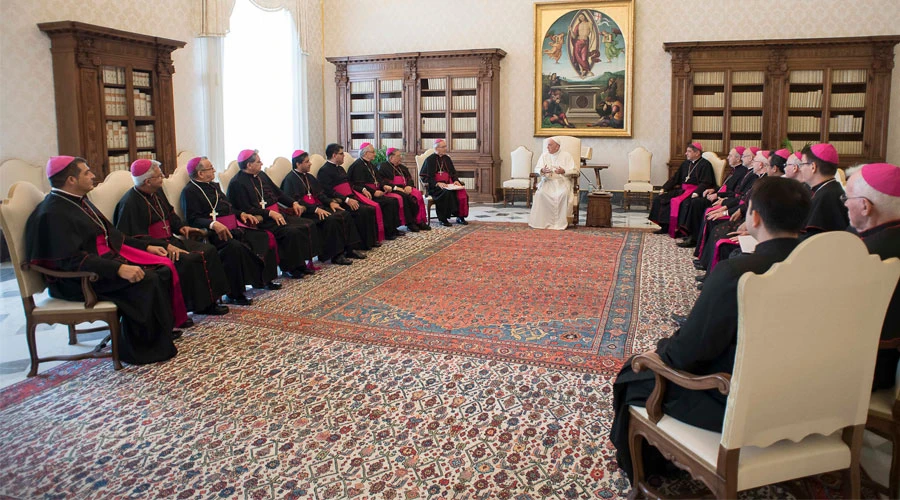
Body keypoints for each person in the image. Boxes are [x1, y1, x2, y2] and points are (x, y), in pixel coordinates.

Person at [611, 176, 811, 483]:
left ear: (754, 217)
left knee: (634, 374)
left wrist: (659, 350)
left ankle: (651, 471)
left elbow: (689, 353)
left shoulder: (738, 271)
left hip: (735, 401)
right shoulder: (817, 266)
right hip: (800, 394)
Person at [24, 156, 180, 365]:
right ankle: (140, 350)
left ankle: (158, 336)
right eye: (86, 172)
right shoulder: (53, 213)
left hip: (97, 268)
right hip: (75, 281)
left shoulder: (79, 201)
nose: (93, 175)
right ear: (71, 179)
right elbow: (70, 260)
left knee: (160, 271)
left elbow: (112, 234)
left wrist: (145, 246)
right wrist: (118, 269)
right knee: (147, 280)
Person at [114, 159, 229, 318]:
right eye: (159, 176)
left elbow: (169, 214)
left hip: (170, 239)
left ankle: (210, 302)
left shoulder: (157, 191)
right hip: (155, 247)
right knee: (188, 260)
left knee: (208, 250)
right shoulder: (130, 202)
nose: (163, 179)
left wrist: (181, 227)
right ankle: (190, 308)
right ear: (147, 181)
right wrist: (163, 245)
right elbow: (131, 237)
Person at [181, 156, 280, 306]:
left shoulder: (214, 186)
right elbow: (192, 219)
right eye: (210, 168)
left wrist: (241, 214)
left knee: (262, 236)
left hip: (234, 227)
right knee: (234, 249)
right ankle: (234, 294)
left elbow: (228, 206)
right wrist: (213, 224)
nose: (214, 170)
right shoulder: (189, 191)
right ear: (200, 173)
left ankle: (262, 280)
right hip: (215, 234)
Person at [844, 163, 900, 391]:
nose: (845, 204)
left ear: (865, 206)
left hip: (866, 366)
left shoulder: (866, 255)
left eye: (846, 198)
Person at [226, 149, 320, 279]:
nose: (262, 163)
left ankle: (301, 264)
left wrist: (293, 203)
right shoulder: (237, 183)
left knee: (306, 224)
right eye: (258, 162)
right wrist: (269, 213)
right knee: (291, 232)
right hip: (262, 220)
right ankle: (290, 268)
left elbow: (278, 193)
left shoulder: (261, 175)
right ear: (249, 165)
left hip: (277, 215)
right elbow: (246, 209)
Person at [281, 149, 365, 265]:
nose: (310, 163)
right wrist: (315, 209)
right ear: (298, 164)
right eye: (307, 162)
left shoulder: (309, 177)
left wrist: (330, 202)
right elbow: (295, 201)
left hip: (318, 207)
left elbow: (320, 194)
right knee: (331, 219)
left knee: (344, 213)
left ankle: (350, 249)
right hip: (306, 211)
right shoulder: (290, 180)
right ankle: (335, 255)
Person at [677, 146, 749, 248]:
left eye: (730, 155)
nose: (727, 158)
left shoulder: (742, 172)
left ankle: (694, 238)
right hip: (720, 197)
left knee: (696, 203)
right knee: (693, 201)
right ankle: (692, 234)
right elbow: (724, 186)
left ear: (738, 158)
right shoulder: (734, 170)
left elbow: (734, 193)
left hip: (726, 201)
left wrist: (718, 195)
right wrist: (713, 189)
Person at [316, 143, 380, 249]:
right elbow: (329, 191)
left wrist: (358, 193)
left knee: (369, 209)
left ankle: (368, 242)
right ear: (334, 155)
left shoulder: (340, 169)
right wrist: (346, 200)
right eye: (341, 154)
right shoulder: (324, 171)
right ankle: (357, 245)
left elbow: (349, 184)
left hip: (350, 197)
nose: (344, 156)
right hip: (340, 201)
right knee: (363, 211)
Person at [649, 142, 715, 237]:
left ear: (697, 153)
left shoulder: (705, 165)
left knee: (685, 204)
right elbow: (675, 178)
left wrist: (697, 192)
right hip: (682, 191)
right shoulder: (685, 163)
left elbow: (706, 182)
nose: (686, 153)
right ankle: (665, 227)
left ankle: (683, 230)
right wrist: (664, 188)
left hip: (694, 192)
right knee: (660, 199)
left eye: (689, 151)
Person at [346, 142, 403, 239]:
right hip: (365, 195)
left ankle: (392, 229)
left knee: (393, 201)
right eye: (372, 152)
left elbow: (379, 179)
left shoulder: (371, 165)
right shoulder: (357, 166)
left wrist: (384, 186)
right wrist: (373, 192)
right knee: (388, 203)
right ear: (365, 153)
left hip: (376, 192)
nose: (375, 154)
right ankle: (387, 232)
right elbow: (358, 184)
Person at [797, 143, 849, 239]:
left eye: (802, 164)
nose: (800, 169)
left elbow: (811, 239)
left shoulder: (826, 197)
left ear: (813, 167)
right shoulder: (829, 190)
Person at [528, 138, 576, 230]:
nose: (547, 147)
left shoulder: (566, 155)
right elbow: (536, 169)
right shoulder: (544, 155)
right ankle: (542, 222)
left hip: (561, 182)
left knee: (563, 194)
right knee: (540, 193)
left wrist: (564, 171)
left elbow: (575, 170)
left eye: (550, 145)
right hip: (547, 181)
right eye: (547, 145)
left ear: (557, 147)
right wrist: (542, 170)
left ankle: (558, 223)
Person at [377, 147, 430, 231]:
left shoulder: (402, 167)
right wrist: (396, 188)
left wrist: (409, 186)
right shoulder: (382, 167)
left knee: (417, 194)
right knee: (406, 197)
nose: (401, 157)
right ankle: (410, 223)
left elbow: (409, 179)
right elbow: (382, 182)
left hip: (405, 188)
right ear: (391, 158)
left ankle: (420, 221)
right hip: (393, 190)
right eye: (398, 156)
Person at [420, 139, 470, 227]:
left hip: (449, 184)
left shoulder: (447, 158)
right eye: (443, 147)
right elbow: (424, 177)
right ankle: (443, 218)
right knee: (446, 193)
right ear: (437, 148)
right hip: (435, 187)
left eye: (445, 146)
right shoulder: (429, 160)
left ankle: (460, 216)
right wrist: (437, 183)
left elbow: (453, 173)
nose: (445, 148)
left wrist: (456, 181)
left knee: (462, 192)